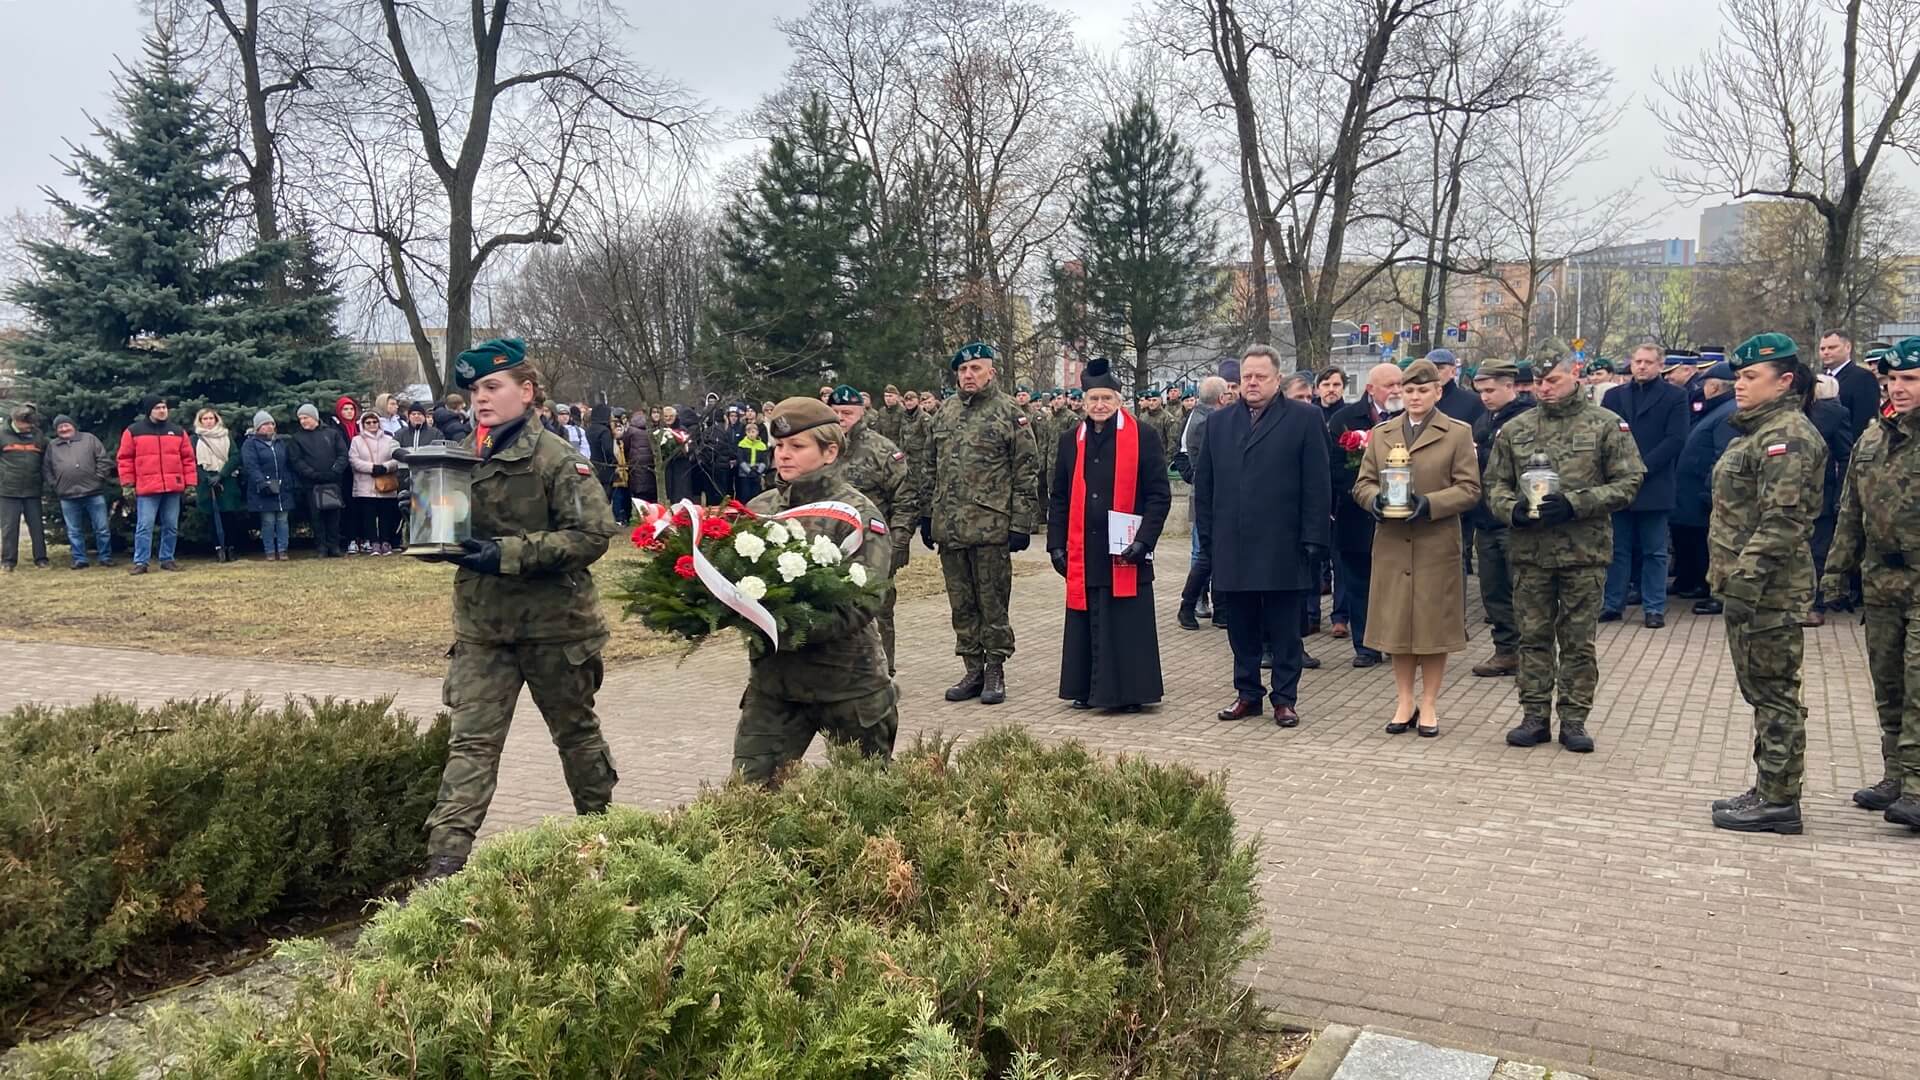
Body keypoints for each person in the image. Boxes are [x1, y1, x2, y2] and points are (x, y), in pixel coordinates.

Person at [420, 337, 621, 882]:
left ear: (526, 391)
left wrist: (505, 554)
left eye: (493, 387)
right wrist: (425, 519)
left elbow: (592, 535)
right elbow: (441, 531)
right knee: (472, 744)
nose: (480, 399)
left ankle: (607, 843)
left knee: (576, 736)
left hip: (555, 627)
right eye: (473, 390)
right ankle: (443, 866)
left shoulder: (556, 457)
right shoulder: (458, 457)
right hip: (484, 628)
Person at [732, 396, 898, 782]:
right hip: (776, 686)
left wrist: (789, 624)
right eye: (778, 447)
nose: (783, 455)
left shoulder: (857, 515)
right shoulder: (759, 508)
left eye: (796, 446)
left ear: (830, 452)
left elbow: (865, 599)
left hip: (847, 685)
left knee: (866, 802)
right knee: (750, 798)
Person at [1484, 355, 1645, 752]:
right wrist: (1512, 510)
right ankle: (1534, 715)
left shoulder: (1606, 424)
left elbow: (1629, 481)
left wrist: (1576, 503)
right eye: (1538, 381)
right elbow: (1494, 484)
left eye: (1552, 380)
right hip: (1530, 552)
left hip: (1583, 551)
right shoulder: (1516, 429)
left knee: (1577, 640)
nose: (1544, 388)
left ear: (1575, 375)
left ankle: (1574, 719)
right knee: (1533, 638)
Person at [1707, 333, 1828, 835]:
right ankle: (1769, 787)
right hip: (1750, 588)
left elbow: (1783, 520)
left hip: (1767, 589)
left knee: (1775, 693)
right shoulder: (1758, 433)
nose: (1739, 384)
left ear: (1784, 382)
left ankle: (1780, 800)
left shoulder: (1787, 437)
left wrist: (1744, 578)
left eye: (1750, 376)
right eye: (1738, 376)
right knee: (1762, 691)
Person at [1195, 345, 1332, 728]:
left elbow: (1317, 485)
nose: (1252, 383)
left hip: (1283, 545)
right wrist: (1207, 537)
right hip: (1233, 544)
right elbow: (1205, 486)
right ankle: (1248, 694)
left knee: (1285, 628)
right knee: (1240, 627)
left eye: (1261, 376)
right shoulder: (1220, 423)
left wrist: (1314, 539)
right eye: (1246, 377)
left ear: (1277, 379)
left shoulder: (1304, 419)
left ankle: (1284, 699)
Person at [1353, 358, 1481, 736]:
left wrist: (1429, 504)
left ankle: (1429, 704)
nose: (1415, 397)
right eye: (1408, 390)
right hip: (1392, 543)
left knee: (1431, 626)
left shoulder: (1456, 433)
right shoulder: (1382, 433)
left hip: (1434, 541)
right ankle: (1404, 699)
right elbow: (1363, 483)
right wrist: (1375, 500)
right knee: (1398, 625)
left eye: (1423, 390)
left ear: (1437, 391)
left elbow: (1470, 488)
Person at [1822, 337, 1920, 828]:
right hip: (1882, 578)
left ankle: (1919, 786)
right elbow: (1851, 513)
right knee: (1888, 684)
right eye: (1894, 379)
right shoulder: (1875, 438)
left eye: (1911, 379)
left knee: (1919, 683)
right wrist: (1836, 572)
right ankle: (1896, 776)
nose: (1898, 389)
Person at [1047, 358, 1172, 711]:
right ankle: (1086, 689)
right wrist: (1055, 544)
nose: (1099, 405)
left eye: (1106, 398)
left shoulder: (1142, 437)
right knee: (1087, 618)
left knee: (1126, 622)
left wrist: (1144, 541)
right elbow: (1059, 495)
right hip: (1084, 547)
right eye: (1093, 399)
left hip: (1126, 549)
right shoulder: (1070, 440)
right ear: (1083, 403)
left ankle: (1131, 693)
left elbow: (1158, 495)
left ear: (1118, 400)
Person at [920, 342, 1040, 706]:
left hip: (991, 527)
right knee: (962, 602)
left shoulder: (1009, 413)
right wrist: (927, 515)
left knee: (992, 602)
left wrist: (1021, 523)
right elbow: (929, 467)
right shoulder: (944, 413)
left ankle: (995, 668)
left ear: (992, 372)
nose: (968, 375)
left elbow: (1027, 470)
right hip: (950, 527)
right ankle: (972, 667)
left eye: (975, 369)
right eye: (962, 370)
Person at [829, 385, 920, 672]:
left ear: (862, 413)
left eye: (847, 413)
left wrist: (900, 541)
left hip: (873, 547)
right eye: (835, 413)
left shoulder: (881, 450)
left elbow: (906, 497)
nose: (841, 419)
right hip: (828, 548)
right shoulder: (820, 450)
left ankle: (882, 673)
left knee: (878, 612)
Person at [1600, 343, 1690, 628]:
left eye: (1648, 362)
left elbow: (1675, 439)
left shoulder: (1675, 396)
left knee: (1654, 550)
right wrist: (1619, 469)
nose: (1641, 366)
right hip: (1619, 481)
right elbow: (1603, 435)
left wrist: (1640, 468)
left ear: (1660, 366)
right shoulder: (1615, 396)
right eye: (1638, 361)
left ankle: (1654, 607)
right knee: (1618, 549)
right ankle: (1613, 603)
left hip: (1655, 482)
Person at [1327, 363, 1404, 666]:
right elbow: (1333, 468)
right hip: (1357, 516)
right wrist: (1366, 491)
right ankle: (1366, 646)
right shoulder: (1344, 420)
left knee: (1397, 586)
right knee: (1359, 585)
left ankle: (1397, 642)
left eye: (1400, 384)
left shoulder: (1410, 418)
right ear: (1371, 389)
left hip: (1401, 520)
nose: (1397, 390)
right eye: (1390, 386)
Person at [1466, 359, 1534, 677]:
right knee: (1493, 591)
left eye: (1491, 390)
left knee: (1523, 590)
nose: (1485, 396)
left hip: (1515, 519)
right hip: (1485, 517)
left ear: (1510, 386)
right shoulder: (1485, 420)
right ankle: (1506, 651)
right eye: (1481, 390)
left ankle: (1533, 655)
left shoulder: (1527, 419)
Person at [1670, 361, 1739, 610]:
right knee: (1696, 541)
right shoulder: (1716, 409)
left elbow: (1722, 455)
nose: (1703, 389)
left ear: (1715, 387)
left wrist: (1708, 491)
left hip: (1706, 492)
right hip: (1694, 490)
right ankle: (1698, 582)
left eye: (1707, 384)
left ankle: (1717, 592)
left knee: (1712, 545)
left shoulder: (1727, 412)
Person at [1174, 373, 1231, 630]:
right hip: (1209, 498)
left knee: (1219, 556)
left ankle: (1221, 609)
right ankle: (1188, 604)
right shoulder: (1206, 422)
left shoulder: (1202, 418)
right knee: (1205, 556)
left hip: (1218, 496)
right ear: (1221, 397)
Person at [117, 396, 198, 574]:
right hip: (147, 487)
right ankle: (141, 562)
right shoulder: (134, 431)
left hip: (172, 486)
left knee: (171, 525)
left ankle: (167, 559)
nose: (162, 410)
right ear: (149, 411)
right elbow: (125, 459)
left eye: (164, 407)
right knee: (145, 526)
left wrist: (190, 483)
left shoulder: (177, 431)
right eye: (157, 408)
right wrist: (128, 484)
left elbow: (188, 459)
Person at [1804, 374, 1857, 626]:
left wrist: (1839, 495)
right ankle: (1811, 604)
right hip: (1818, 492)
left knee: (1816, 549)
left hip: (1819, 492)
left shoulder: (1833, 414)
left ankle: (1814, 603)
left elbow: (1845, 455)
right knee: (1815, 549)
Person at [43, 415, 115, 568]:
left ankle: (105, 557)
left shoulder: (89, 439)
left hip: (93, 492)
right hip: (67, 495)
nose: (64, 429)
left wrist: (99, 478)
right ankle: (80, 559)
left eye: (66, 425)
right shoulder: (52, 446)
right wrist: (55, 485)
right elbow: (47, 469)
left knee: (102, 528)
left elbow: (103, 460)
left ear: (73, 426)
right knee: (74, 530)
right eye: (60, 427)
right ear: (56, 430)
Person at [288, 402, 348, 558]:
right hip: (312, 484)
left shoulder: (332, 433)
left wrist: (335, 470)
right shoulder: (297, 438)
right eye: (300, 418)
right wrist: (311, 474)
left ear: (314, 417)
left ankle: (334, 546)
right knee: (317, 517)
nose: (303, 421)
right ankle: (321, 547)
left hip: (333, 481)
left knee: (334, 515)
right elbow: (296, 460)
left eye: (305, 417)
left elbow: (343, 454)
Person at [241, 411, 296, 561]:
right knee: (268, 521)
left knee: (283, 520)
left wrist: (288, 481)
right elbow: (251, 465)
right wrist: (262, 482)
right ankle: (270, 551)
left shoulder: (280, 442)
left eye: (272, 424)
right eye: (265, 424)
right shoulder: (250, 444)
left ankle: (283, 549)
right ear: (258, 427)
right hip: (263, 488)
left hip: (282, 487)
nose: (269, 427)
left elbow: (287, 464)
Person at [0, 405, 50, 572]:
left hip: (33, 489)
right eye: (26, 424)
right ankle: (8, 561)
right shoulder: (2, 434)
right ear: (16, 421)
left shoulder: (38, 435)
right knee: (9, 527)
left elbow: (45, 459)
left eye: (32, 424)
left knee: (37, 526)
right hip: (8, 490)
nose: (30, 427)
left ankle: (41, 559)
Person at [192, 407, 245, 563]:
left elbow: (235, 457)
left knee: (229, 515)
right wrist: (206, 477)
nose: (208, 422)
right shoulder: (195, 438)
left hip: (226, 480)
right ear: (200, 421)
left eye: (211, 418)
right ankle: (218, 548)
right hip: (206, 482)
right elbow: (193, 461)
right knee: (212, 517)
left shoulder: (226, 435)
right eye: (205, 419)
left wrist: (221, 475)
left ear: (216, 419)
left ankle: (231, 547)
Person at [349, 412, 403, 555]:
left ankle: (386, 542)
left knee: (386, 515)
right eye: (368, 423)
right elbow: (354, 460)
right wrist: (372, 468)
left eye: (375, 422)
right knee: (369, 516)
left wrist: (385, 467)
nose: (372, 425)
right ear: (363, 424)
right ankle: (373, 543)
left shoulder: (389, 439)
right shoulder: (356, 440)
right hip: (365, 484)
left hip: (386, 484)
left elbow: (397, 458)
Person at [1819, 329, 1881, 440]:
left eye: (1832, 347)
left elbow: (1863, 421)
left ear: (1848, 347)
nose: (1826, 352)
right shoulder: (1819, 379)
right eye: (1822, 349)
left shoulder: (1863, 378)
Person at [1424, 348, 1485, 426]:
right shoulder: (1417, 400)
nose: (1434, 372)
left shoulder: (1473, 402)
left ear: (1453, 372)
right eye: (1429, 369)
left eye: (1439, 368)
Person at [620, 403, 657, 507]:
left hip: (636, 466)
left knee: (639, 498)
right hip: (651, 466)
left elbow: (625, 447)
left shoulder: (631, 430)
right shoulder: (653, 429)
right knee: (652, 499)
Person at [734, 420, 768, 500]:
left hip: (757, 474)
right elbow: (740, 459)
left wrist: (758, 471)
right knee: (745, 494)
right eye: (749, 432)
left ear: (757, 433)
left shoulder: (762, 445)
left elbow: (765, 460)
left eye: (753, 432)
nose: (751, 434)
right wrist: (749, 471)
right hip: (744, 475)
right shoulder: (742, 444)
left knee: (755, 495)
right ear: (746, 433)